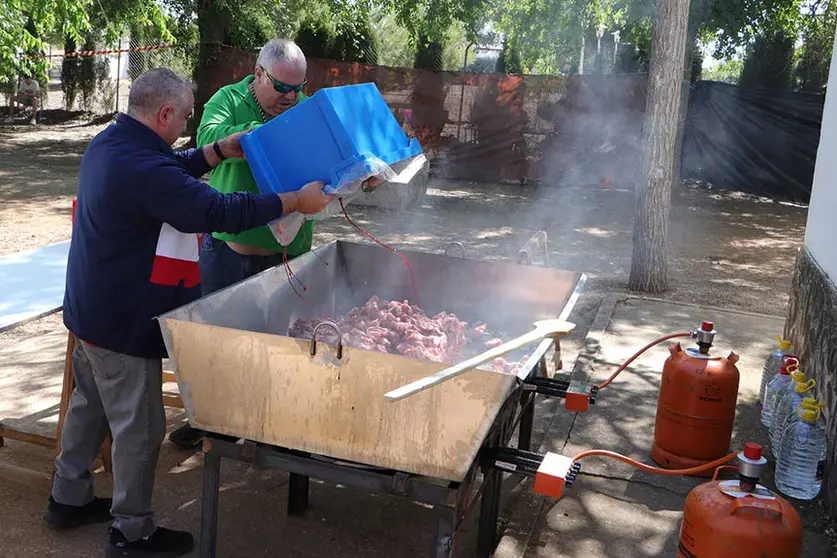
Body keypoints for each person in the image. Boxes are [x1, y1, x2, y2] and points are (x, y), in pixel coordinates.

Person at [48, 67, 333, 558]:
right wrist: (294, 201)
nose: (186, 123)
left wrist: (221, 149)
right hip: (121, 320)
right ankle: (131, 531)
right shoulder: (143, 169)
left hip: (90, 310)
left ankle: (67, 498)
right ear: (162, 113)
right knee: (141, 428)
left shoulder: (112, 143)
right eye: (182, 115)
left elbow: (171, 167)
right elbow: (216, 210)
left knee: (88, 406)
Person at [168, 38, 380, 449]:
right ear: (258, 73)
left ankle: (272, 423)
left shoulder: (308, 108)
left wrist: (367, 175)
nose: (292, 97)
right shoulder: (227, 100)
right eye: (282, 88)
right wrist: (264, 137)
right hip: (230, 252)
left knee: (283, 344)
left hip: (288, 253)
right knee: (218, 344)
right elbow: (210, 137)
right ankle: (209, 419)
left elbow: (345, 157)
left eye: (298, 88)